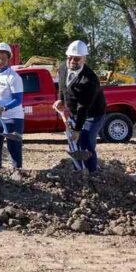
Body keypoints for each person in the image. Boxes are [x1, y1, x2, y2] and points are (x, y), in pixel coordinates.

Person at [54, 40, 106, 173]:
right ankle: (79, 173)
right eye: (69, 57)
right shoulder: (62, 68)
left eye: (76, 58)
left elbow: (83, 107)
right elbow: (61, 86)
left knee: (86, 144)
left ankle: (92, 173)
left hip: (92, 115)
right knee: (74, 145)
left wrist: (77, 130)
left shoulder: (89, 80)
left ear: (84, 59)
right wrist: (61, 101)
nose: (72, 61)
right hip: (73, 114)